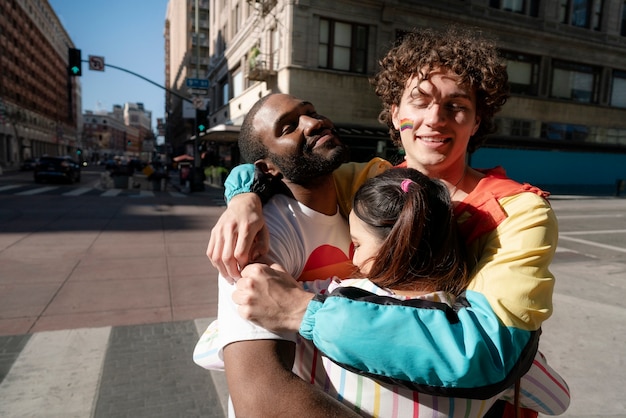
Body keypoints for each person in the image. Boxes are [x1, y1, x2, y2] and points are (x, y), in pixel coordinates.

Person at [209, 27, 563, 415]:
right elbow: (286, 167)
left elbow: (488, 353)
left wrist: (303, 311)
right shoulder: (367, 180)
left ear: (476, 121)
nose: (435, 119)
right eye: (420, 101)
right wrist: (244, 196)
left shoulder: (518, 211)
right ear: (396, 114)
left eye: (457, 106)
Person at [201, 166, 570, 416]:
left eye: (357, 244)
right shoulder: (490, 337)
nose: (352, 256)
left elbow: (209, 351)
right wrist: (243, 191)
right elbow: (558, 399)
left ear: (390, 248)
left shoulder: (324, 300)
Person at [196, 93, 388, 417]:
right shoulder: (261, 232)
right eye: (288, 128)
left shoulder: (354, 207)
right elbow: (259, 398)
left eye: (311, 112)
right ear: (266, 168)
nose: (314, 123)